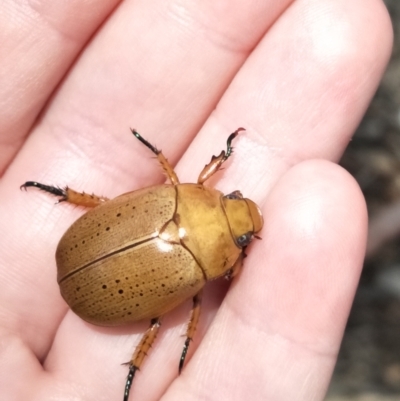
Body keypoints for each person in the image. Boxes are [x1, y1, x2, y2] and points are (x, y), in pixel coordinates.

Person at [0, 1, 393, 400]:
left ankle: (64, 200)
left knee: (113, 222)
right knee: (162, 319)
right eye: (233, 198)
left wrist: (213, 157)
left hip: (95, 279)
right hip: (88, 261)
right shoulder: (198, 270)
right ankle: (134, 365)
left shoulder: (182, 189)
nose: (239, 204)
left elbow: (178, 173)